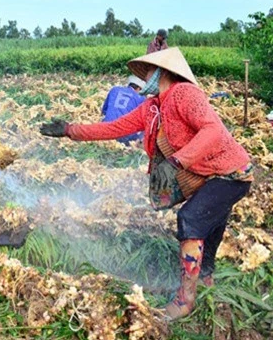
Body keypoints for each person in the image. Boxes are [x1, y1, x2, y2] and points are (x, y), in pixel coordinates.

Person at [39, 47, 253, 320]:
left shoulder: (185, 94)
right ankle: (206, 278)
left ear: (164, 72)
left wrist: (177, 161)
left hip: (231, 173)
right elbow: (113, 128)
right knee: (210, 221)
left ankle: (185, 299)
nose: (145, 77)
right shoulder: (152, 107)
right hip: (208, 173)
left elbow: (213, 130)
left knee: (191, 218)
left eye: (150, 71)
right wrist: (70, 130)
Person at [101, 75, 146, 144]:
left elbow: (104, 110)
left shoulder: (114, 89)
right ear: (139, 88)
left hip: (106, 130)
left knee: (105, 119)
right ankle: (136, 145)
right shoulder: (141, 98)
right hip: (124, 134)